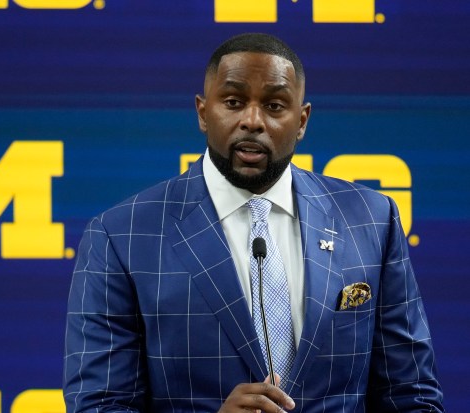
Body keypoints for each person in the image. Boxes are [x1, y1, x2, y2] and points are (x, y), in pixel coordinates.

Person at [63, 33, 444, 412]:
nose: (252, 120)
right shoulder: (120, 235)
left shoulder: (371, 219)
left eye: (275, 105)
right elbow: (99, 405)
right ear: (202, 112)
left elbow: (412, 395)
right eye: (233, 102)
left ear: (302, 120)